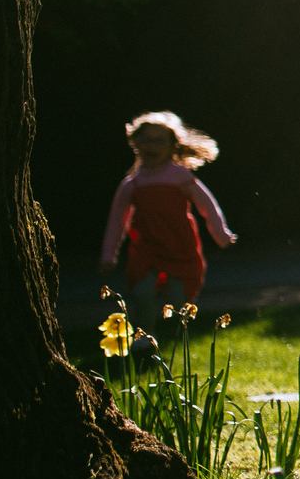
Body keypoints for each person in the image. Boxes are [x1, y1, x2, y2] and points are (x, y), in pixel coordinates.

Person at [100, 111, 237, 325]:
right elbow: (117, 220)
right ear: (135, 143)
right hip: (146, 248)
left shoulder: (180, 176)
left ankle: (178, 339)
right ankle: (145, 337)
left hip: (180, 245)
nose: (152, 146)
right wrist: (109, 255)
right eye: (146, 140)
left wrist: (221, 234)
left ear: (173, 145)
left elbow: (207, 205)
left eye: (159, 141)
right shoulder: (132, 183)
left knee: (179, 298)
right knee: (142, 293)